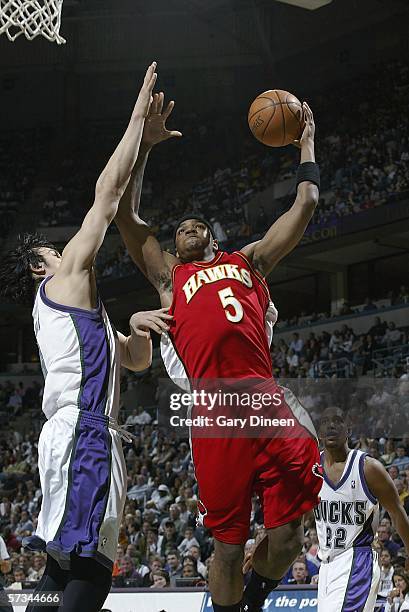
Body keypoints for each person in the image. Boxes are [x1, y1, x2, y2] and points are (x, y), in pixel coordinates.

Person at [115, 94, 322, 612]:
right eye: (179, 228)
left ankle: (254, 598)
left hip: (266, 402)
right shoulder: (169, 280)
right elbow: (125, 213)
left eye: (195, 226)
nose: (186, 228)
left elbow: (307, 204)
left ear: (211, 236)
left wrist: (307, 144)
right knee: (227, 548)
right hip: (213, 410)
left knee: (290, 538)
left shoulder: (248, 262)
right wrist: (143, 148)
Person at [0, 63, 172, 612]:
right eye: (53, 248)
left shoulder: (79, 317)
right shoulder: (64, 278)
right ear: (38, 268)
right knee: (91, 573)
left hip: (78, 433)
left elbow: (137, 362)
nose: (65, 246)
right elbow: (108, 198)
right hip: (84, 434)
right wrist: (136, 122)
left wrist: (141, 331)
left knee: (63, 565)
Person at [314, 407, 409, 612]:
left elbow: (397, 513)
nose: (331, 425)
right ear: (319, 432)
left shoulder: (368, 468)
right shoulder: (311, 467)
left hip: (357, 561)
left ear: (349, 429)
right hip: (326, 566)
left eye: (338, 420)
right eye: (325, 421)